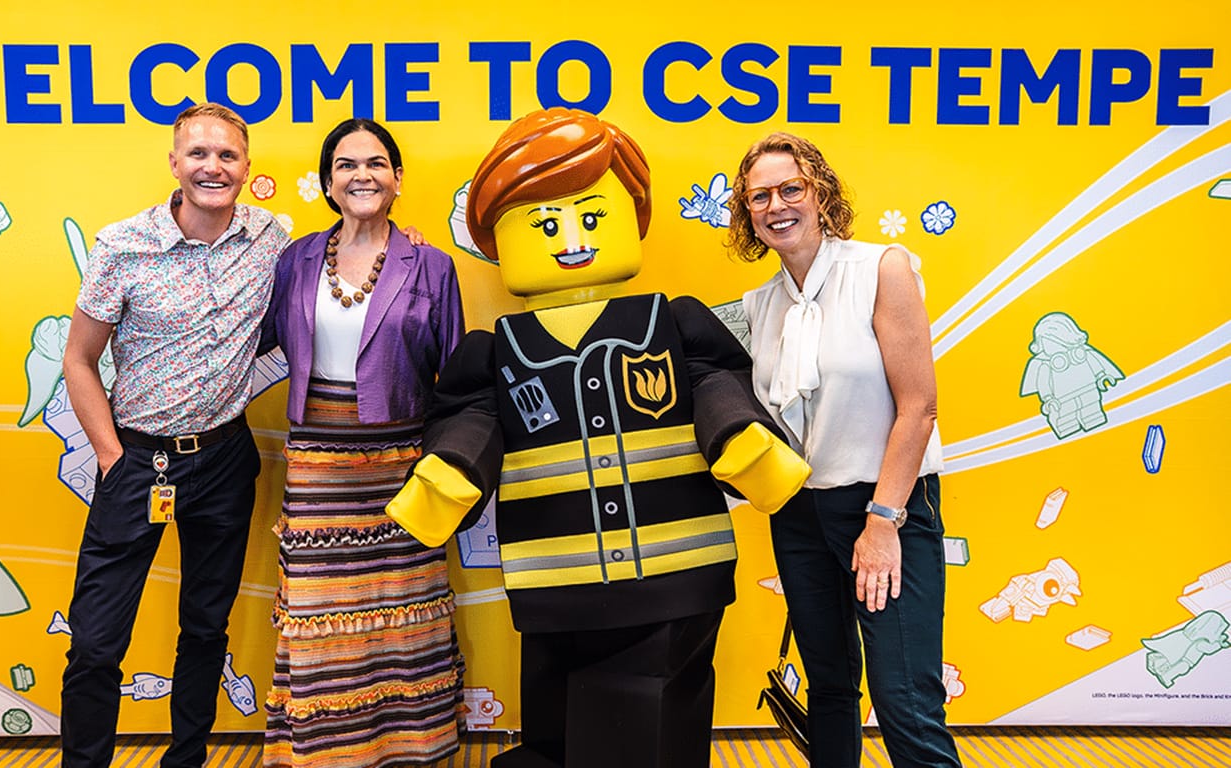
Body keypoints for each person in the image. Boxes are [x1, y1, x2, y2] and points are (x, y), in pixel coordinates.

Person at [385, 107, 809, 768]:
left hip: (673, 576)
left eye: (591, 216)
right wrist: (450, 473)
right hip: (555, 585)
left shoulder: (672, 325)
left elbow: (716, 385)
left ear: (630, 218)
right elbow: (471, 422)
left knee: (648, 716)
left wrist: (741, 438)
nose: (571, 239)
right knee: (556, 722)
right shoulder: (497, 352)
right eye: (544, 224)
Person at [59, 102, 290, 768]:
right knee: (96, 643)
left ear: (245, 167)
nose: (213, 166)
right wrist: (111, 457)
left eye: (227, 155)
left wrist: (401, 240)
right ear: (174, 163)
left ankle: (186, 760)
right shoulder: (122, 245)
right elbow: (79, 359)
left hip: (224, 460)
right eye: (199, 153)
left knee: (206, 628)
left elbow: (343, 260)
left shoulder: (272, 236)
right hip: (137, 461)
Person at [728, 131, 962, 767]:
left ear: (821, 193)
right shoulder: (758, 305)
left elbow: (919, 408)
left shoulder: (881, 268)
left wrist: (882, 522)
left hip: (885, 505)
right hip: (800, 514)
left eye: (791, 188)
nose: (776, 206)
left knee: (905, 699)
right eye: (759, 197)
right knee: (829, 689)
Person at [258, 118, 467, 768]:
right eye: (346, 165)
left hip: (402, 465)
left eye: (376, 163)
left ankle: (412, 750)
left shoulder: (432, 264)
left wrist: (450, 467)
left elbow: (456, 378)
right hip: (315, 465)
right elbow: (253, 342)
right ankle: (330, 754)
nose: (362, 175)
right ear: (328, 183)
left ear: (398, 178)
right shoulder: (293, 260)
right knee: (319, 617)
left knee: (403, 611)